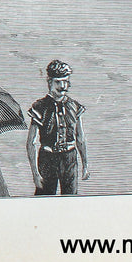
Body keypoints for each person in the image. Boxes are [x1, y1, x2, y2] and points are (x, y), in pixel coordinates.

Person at [27, 59, 89, 195]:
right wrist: (35, 174)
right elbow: (31, 142)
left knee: (70, 200)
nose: (62, 86)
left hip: (70, 159)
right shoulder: (40, 107)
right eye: (58, 82)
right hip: (47, 159)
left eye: (65, 81)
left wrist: (85, 164)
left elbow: (80, 138)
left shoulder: (75, 106)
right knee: (44, 200)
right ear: (49, 82)